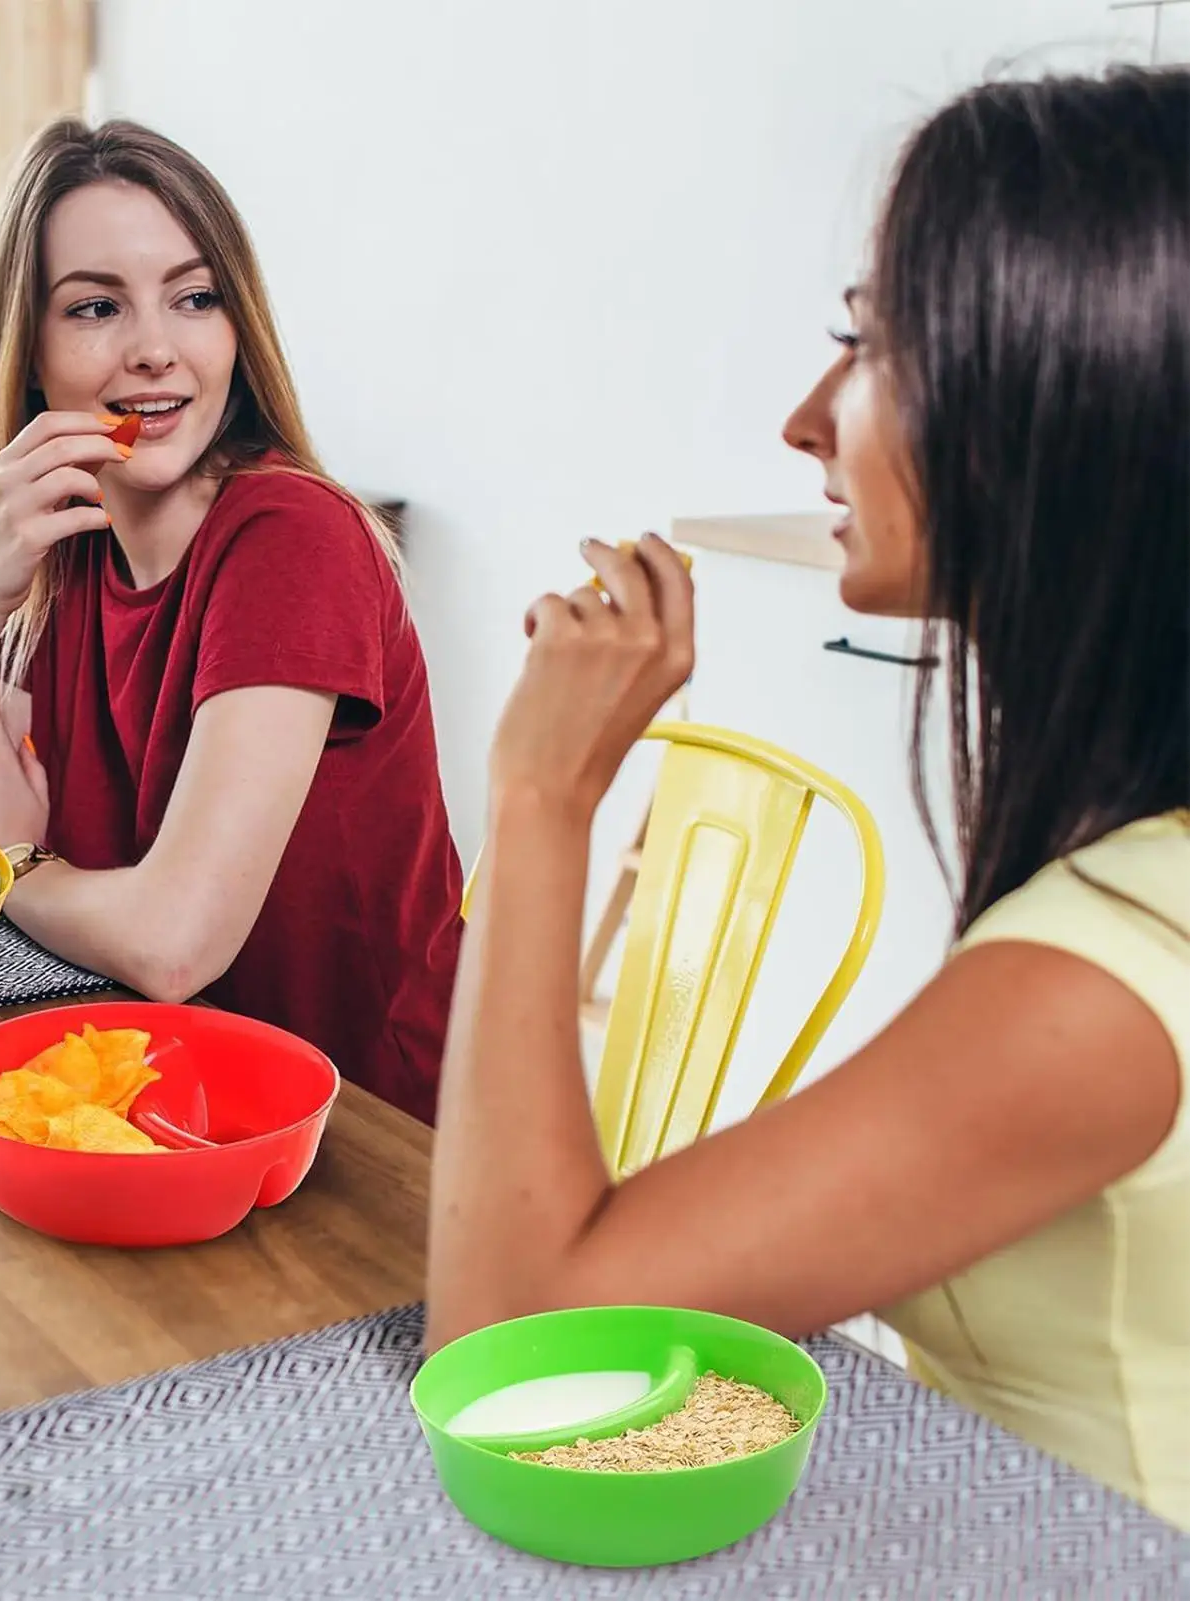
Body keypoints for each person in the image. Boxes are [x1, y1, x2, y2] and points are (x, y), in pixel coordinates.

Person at [426, 66, 1189, 1526]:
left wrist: (539, 795)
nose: (803, 418)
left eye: (866, 344)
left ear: (1060, 396)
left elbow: (518, 1355)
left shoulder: (1099, 983)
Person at [0, 120, 462, 1125]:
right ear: (32, 354)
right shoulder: (61, 551)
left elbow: (172, 941)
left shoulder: (290, 540)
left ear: (237, 327)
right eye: (95, 306)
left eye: (194, 298)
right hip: (151, 1091)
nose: (153, 349)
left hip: (357, 1133)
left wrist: (10, 866)